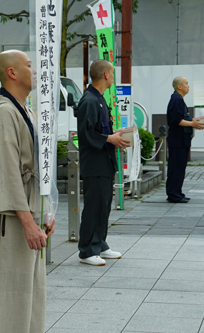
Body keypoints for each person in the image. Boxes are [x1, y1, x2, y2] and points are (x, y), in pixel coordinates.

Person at [0, 50, 55, 333]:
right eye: (28, 65)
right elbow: (8, 173)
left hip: (30, 211)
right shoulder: (4, 112)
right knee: (11, 293)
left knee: (31, 291)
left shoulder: (24, 109)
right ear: (11, 72)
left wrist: (46, 212)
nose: (34, 70)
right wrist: (27, 223)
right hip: (14, 217)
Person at [77, 60, 130, 266]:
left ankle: (100, 244)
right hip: (94, 163)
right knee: (94, 206)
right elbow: (86, 133)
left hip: (104, 161)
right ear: (106, 75)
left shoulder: (98, 98)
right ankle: (87, 250)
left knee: (103, 205)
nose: (114, 77)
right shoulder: (89, 100)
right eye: (113, 74)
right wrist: (109, 138)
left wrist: (116, 134)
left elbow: (100, 130)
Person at [166, 76, 204, 203]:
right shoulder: (176, 99)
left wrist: (192, 121)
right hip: (177, 140)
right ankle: (173, 194)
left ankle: (177, 192)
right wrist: (192, 124)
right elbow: (176, 120)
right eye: (186, 83)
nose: (189, 86)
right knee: (176, 167)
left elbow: (181, 118)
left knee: (180, 167)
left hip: (181, 140)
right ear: (179, 86)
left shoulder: (179, 99)